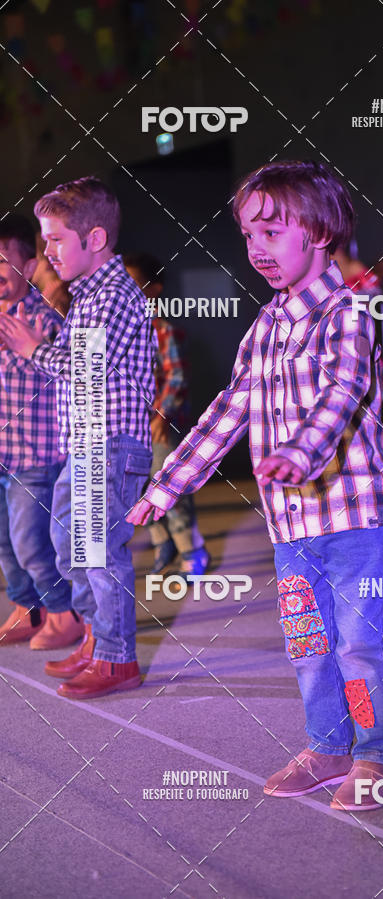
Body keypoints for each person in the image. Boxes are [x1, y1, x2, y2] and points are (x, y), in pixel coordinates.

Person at [128, 160, 383, 812]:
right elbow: (227, 412)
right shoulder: (266, 326)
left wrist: (300, 452)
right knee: (310, 645)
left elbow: (342, 392)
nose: (256, 248)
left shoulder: (346, 312)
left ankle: (375, 753)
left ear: (316, 232)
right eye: (249, 234)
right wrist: (165, 487)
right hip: (291, 528)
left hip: (354, 515)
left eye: (271, 232)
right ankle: (328, 744)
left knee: (361, 645)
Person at [0, 177, 155, 699]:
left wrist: (32, 348)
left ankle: (116, 658)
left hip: (111, 444)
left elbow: (88, 369)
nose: (47, 252)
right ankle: (96, 639)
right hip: (88, 444)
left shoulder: (111, 294)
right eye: (44, 241)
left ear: (94, 239)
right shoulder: (88, 295)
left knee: (96, 553)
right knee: (73, 549)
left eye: (56, 240)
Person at [0, 214, 82, 650]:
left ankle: (63, 614)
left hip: (35, 454)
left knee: (32, 544)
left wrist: (34, 346)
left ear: (28, 266)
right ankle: (26, 608)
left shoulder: (46, 317)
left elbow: (76, 370)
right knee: (5, 548)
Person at [123, 252, 209, 577]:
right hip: (130, 425)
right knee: (136, 489)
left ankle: (192, 550)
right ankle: (162, 542)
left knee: (167, 484)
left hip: (160, 425)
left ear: (154, 289)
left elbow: (176, 377)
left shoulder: (163, 330)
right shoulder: (120, 333)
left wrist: (160, 414)